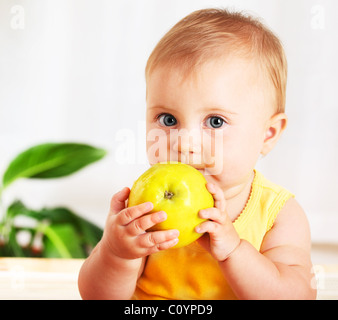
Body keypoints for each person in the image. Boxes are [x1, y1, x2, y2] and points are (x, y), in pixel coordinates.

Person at [78, 8, 317, 300]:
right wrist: (117, 254)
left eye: (215, 122)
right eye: (168, 119)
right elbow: (96, 297)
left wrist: (233, 251)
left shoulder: (278, 215)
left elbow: (296, 296)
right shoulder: (146, 208)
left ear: (268, 134)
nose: (185, 143)